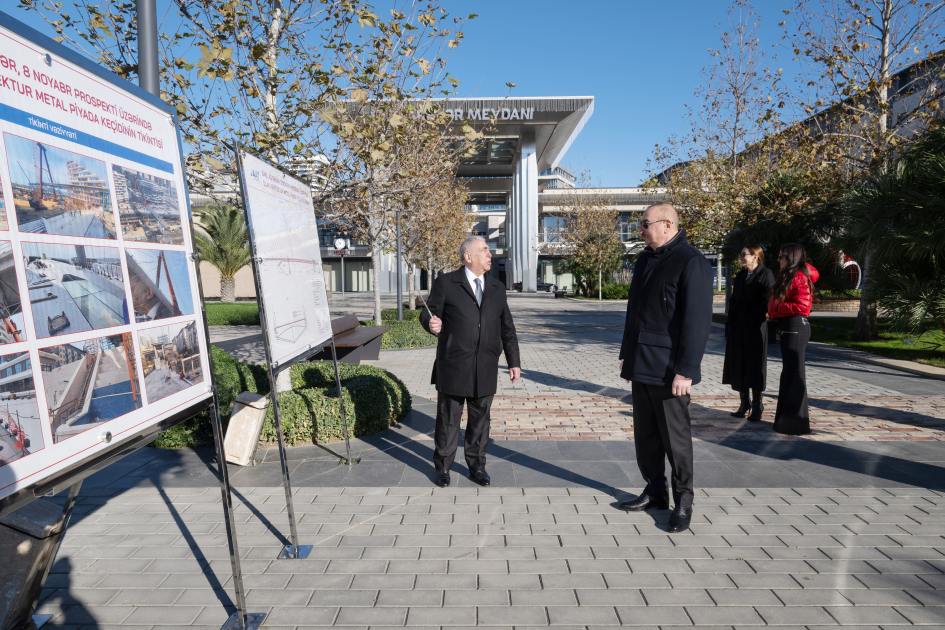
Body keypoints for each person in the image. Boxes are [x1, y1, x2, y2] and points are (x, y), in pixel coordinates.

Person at [616, 203, 712, 533]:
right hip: (641, 362)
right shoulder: (645, 259)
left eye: (645, 224)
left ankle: (683, 501)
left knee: (675, 440)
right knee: (645, 436)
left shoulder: (691, 261)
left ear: (667, 224)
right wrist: (627, 354)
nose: (640, 230)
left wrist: (687, 370)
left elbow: (697, 322)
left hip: (671, 369)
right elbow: (635, 312)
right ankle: (656, 491)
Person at [420, 235, 521, 487]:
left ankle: (477, 467)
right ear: (468, 256)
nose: (490, 254)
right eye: (484, 250)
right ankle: (443, 467)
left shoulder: (497, 287)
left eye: (489, 250)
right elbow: (428, 313)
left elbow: (507, 327)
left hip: (485, 365)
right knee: (448, 421)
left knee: (480, 422)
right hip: (453, 365)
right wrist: (431, 323)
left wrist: (513, 361)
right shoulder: (446, 283)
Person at [768, 243, 819, 435]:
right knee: (790, 375)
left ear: (791, 258)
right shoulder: (789, 275)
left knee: (795, 375)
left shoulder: (799, 276)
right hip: (789, 327)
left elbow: (803, 307)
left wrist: (776, 309)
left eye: (782, 256)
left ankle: (795, 424)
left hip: (796, 327)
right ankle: (787, 422)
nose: (778, 259)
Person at [722, 245, 775, 421]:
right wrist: (731, 318)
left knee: (754, 364)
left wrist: (753, 315)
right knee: (739, 363)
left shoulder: (766, 274)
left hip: (755, 325)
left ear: (755, 256)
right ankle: (744, 403)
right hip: (738, 325)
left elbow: (768, 300)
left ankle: (757, 405)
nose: (741, 258)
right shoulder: (741, 275)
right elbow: (734, 299)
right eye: (741, 254)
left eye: (744, 254)